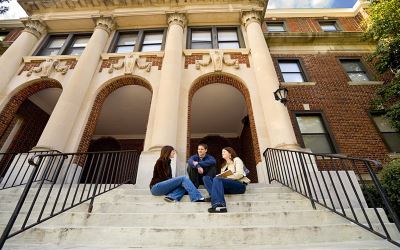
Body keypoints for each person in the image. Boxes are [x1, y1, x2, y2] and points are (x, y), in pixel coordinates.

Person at [203, 147, 250, 213]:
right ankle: (214, 195)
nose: (222, 153)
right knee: (206, 178)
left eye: (224, 151)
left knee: (218, 179)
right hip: (227, 187)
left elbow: (240, 174)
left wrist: (225, 177)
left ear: (230, 153)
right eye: (222, 152)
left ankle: (220, 205)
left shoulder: (236, 160)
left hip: (239, 185)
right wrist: (221, 177)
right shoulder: (223, 166)